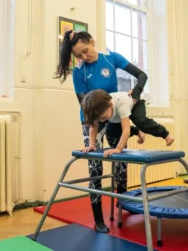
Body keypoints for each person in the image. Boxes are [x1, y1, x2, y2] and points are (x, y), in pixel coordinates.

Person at [54, 30, 147, 233]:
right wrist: (93, 137)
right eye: (79, 55)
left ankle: (123, 204)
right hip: (91, 120)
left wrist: (137, 92)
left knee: (120, 162)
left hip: (112, 116)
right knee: (95, 167)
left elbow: (141, 75)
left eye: (85, 51)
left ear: (93, 42)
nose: (84, 57)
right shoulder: (79, 72)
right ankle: (98, 218)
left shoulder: (111, 58)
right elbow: (84, 104)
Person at [81, 90, 175, 157]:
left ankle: (166, 135)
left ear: (110, 105)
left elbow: (126, 131)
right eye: (99, 119)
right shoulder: (98, 109)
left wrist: (118, 148)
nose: (101, 121)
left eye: (103, 118)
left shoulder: (121, 104)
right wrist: (91, 145)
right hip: (118, 114)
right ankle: (137, 131)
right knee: (111, 133)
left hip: (135, 104)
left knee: (141, 122)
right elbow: (93, 127)